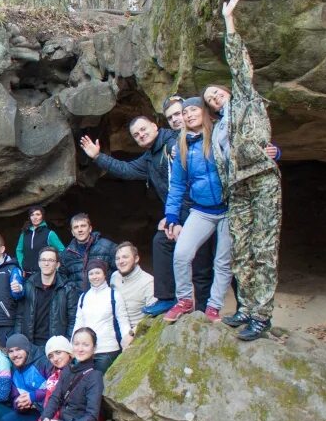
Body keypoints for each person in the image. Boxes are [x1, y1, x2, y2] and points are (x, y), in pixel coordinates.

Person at [204, 0, 283, 341]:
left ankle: (262, 316)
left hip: (262, 179)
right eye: (209, 100)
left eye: (216, 93)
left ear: (228, 91)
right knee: (242, 251)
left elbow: (239, 65)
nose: (214, 98)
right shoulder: (219, 130)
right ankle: (247, 308)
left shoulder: (247, 101)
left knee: (264, 249)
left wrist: (228, 21)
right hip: (239, 188)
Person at [79, 116, 213, 315]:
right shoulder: (151, 156)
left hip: (198, 211)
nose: (141, 135)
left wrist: (175, 217)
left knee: (202, 264)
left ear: (154, 126)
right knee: (162, 242)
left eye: (143, 129)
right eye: (136, 134)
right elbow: (126, 170)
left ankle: (204, 311)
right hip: (177, 214)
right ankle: (167, 298)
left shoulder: (172, 143)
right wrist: (98, 157)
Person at [163, 97, 234, 324]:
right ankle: (184, 300)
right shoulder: (182, 146)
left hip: (229, 208)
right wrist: (171, 216)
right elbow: (177, 185)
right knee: (182, 254)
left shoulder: (219, 135)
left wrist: (275, 153)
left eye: (193, 110)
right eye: (185, 112)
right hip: (202, 210)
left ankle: (214, 307)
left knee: (223, 262)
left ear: (204, 112)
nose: (189, 115)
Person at [72, 260, 132, 373]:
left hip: (107, 350)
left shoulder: (114, 295)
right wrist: (73, 346)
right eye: (91, 274)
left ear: (104, 274)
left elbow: (122, 320)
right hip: (85, 351)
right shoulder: (84, 297)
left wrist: (127, 339)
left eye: (97, 273)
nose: (95, 277)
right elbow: (79, 323)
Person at [16, 247, 78, 349]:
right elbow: (20, 317)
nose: (46, 263)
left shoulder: (67, 287)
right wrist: (19, 343)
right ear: (39, 263)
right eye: (43, 260)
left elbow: (73, 320)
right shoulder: (28, 285)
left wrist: (66, 344)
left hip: (56, 345)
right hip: (31, 343)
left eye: (51, 260)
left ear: (57, 265)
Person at [17, 336, 73, 421]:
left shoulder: (75, 373)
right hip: (49, 419)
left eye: (58, 352)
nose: (55, 358)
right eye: (51, 356)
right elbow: (48, 402)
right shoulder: (52, 376)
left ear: (68, 352)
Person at [0, 333, 54, 421]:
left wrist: (33, 396)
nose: (15, 354)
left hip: (54, 410)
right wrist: (20, 405)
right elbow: (15, 396)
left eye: (18, 349)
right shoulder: (13, 369)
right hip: (36, 411)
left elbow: (57, 388)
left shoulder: (44, 362)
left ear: (27, 349)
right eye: (11, 351)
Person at [59, 214, 117, 291]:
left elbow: (119, 270)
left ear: (90, 228)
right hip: (78, 300)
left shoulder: (107, 247)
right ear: (72, 232)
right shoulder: (66, 254)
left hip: (104, 298)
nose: (80, 230)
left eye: (83, 226)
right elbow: (62, 278)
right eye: (76, 227)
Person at [110, 242, 155, 329]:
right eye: (117, 258)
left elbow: (152, 317)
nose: (121, 261)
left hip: (137, 332)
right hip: (115, 329)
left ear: (136, 258)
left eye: (125, 257)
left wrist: (132, 333)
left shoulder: (148, 282)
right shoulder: (114, 277)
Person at [15, 206, 66, 277]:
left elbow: (62, 251)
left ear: (42, 216)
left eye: (38, 214)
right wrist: (22, 265)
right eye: (32, 215)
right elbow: (19, 250)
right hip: (27, 275)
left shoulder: (49, 233)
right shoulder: (24, 233)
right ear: (29, 217)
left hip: (44, 275)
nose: (35, 217)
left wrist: (54, 265)